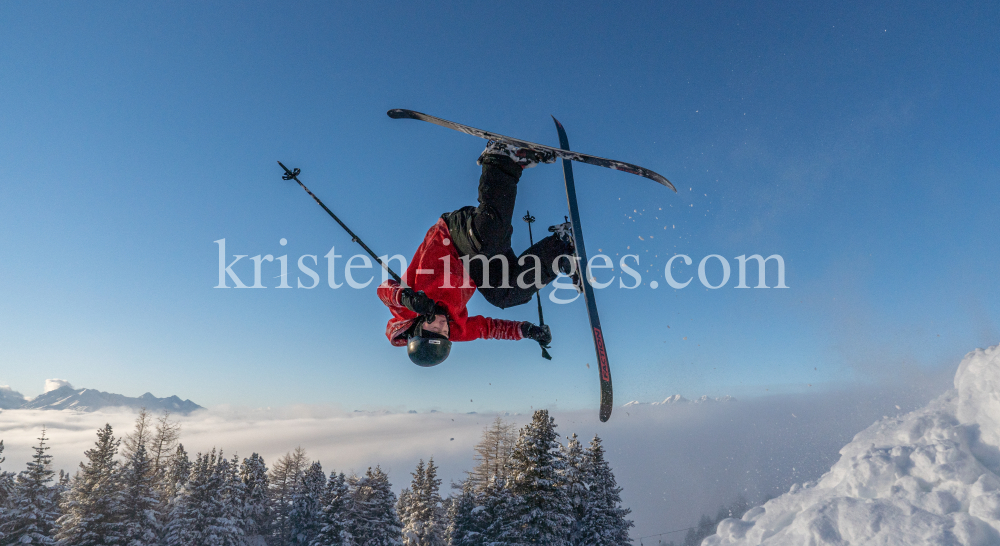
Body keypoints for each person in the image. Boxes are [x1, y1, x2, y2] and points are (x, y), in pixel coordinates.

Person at [377, 141, 580, 366]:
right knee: (506, 295)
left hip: (451, 238)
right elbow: (489, 328)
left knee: (486, 240)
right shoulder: (457, 329)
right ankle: (560, 248)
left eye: (432, 327)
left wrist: (407, 297)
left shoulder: (407, 312)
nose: (441, 325)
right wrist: (527, 330)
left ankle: (501, 159)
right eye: (443, 332)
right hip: (476, 267)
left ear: (416, 328)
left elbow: (384, 290)